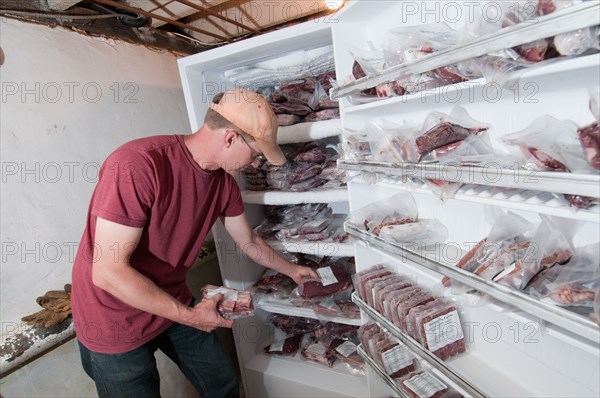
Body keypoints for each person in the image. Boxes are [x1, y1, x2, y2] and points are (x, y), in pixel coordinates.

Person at [71, 88, 318, 398]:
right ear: (230, 138)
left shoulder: (223, 184)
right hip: (113, 314)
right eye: (256, 154)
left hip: (170, 297)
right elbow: (108, 272)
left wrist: (292, 270)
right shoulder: (138, 165)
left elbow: (248, 240)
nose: (256, 165)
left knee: (222, 383)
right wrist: (190, 316)